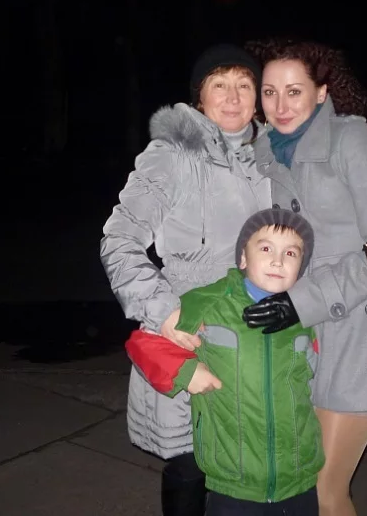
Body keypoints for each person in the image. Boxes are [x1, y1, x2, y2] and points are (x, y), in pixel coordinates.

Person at [100, 44, 271, 516]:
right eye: (220, 84)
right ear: (200, 97)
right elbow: (119, 240)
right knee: (191, 464)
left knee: (251, 466)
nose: (233, 97)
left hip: (259, 338)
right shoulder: (173, 155)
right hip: (192, 333)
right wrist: (163, 310)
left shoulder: (274, 157)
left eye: (244, 85)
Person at [242, 39, 367, 516]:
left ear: (321, 92)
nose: (280, 105)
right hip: (299, 342)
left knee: (324, 491)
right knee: (298, 485)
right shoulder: (263, 152)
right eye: (270, 92)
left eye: (294, 91)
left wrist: (303, 301)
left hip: (355, 334)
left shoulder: (352, 141)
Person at [125, 208, 322, 516]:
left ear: (301, 266)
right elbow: (143, 342)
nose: (278, 261)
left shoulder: (306, 315)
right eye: (266, 248)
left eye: (291, 253)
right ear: (243, 258)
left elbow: (318, 376)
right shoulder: (210, 302)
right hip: (232, 479)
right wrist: (185, 371)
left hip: (299, 477)